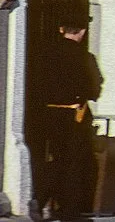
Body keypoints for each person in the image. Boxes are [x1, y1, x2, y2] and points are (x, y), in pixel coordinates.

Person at [35, 18, 103, 222]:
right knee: (73, 163)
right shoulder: (84, 56)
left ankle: (41, 200)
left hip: (49, 114)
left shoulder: (45, 55)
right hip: (74, 115)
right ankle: (69, 212)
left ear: (61, 29)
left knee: (54, 159)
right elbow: (94, 88)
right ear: (82, 31)